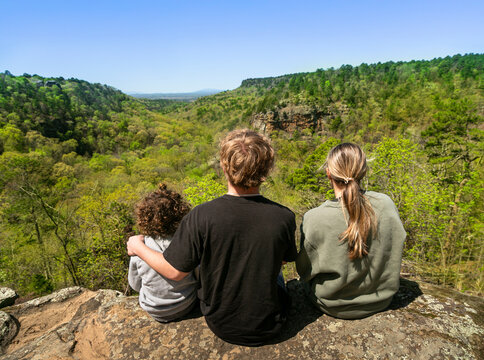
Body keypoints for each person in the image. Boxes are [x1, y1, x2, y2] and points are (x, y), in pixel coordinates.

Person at [127, 129, 297, 346]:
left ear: (224, 167)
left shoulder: (201, 215)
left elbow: (175, 272)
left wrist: (138, 247)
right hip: (272, 324)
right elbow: (281, 261)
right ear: (267, 169)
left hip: (221, 322)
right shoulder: (283, 216)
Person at [296, 143, 406, 319]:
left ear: (328, 173)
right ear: (364, 170)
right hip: (382, 300)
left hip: (331, 303)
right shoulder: (386, 204)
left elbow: (304, 270)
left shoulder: (315, 217)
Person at [128, 184, 198, 322]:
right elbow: (198, 275)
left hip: (155, 310)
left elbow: (135, 285)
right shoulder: (187, 242)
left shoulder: (140, 248)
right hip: (186, 305)